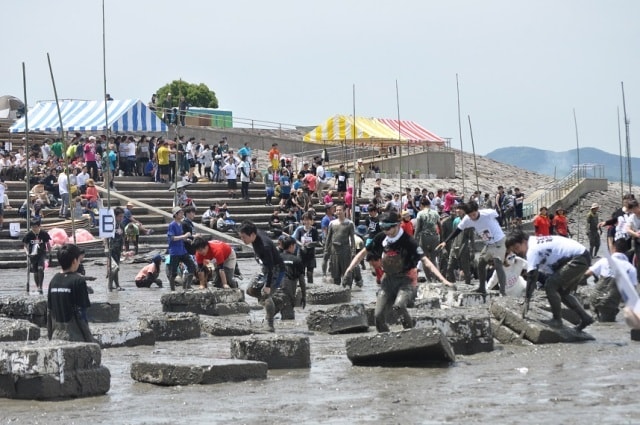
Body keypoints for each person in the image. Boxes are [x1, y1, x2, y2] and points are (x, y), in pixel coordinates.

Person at [344, 211, 453, 332]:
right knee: (378, 315)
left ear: (397, 225)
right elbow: (362, 254)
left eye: (388, 228)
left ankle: (410, 333)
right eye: (382, 227)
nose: (386, 231)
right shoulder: (381, 237)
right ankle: (385, 336)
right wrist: (349, 269)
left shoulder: (408, 241)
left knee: (399, 306)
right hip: (388, 280)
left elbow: (426, 261)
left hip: (405, 280)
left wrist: (443, 280)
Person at [506, 229, 594, 331]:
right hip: (580, 257)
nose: (518, 252)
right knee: (562, 292)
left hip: (577, 259)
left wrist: (527, 300)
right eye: (515, 251)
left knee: (550, 286)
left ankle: (557, 320)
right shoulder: (535, 242)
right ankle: (585, 318)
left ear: (524, 241)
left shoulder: (532, 249)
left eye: (517, 248)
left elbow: (532, 277)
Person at [437, 200, 507, 296]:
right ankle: (482, 287)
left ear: (477, 210)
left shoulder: (487, 213)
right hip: (488, 244)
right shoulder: (467, 219)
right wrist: (445, 242)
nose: (472, 217)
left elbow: (498, 215)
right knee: (481, 263)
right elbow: (458, 230)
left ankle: (503, 292)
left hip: (499, 241)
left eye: (474, 214)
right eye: (470, 215)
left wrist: (496, 226)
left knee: (498, 264)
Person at [238, 220, 285, 332]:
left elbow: (271, 268)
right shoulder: (256, 234)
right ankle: (277, 303)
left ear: (252, 235)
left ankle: (269, 324)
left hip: (276, 270)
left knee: (265, 295)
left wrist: (268, 286)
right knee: (250, 290)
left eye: (244, 237)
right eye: (241, 237)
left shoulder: (265, 246)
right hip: (265, 268)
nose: (242, 239)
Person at [47, 243, 94, 342]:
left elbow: (50, 312)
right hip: (75, 336)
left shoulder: (53, 280)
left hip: (57, 335)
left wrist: (50, 337)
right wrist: (89, 339)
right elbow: (82, 313)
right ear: (74, 261)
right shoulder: (78, 281)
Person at [586, 238, 637, 322]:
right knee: (607, 324)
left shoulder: (604, 260)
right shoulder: (630, 268)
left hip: (594, 299)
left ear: (614, 248)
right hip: (609, 303)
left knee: (596, 323)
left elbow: (587, 273)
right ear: (627, 251)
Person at [322, 203, 356, 287]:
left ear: (344, 211)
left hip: (345, 250)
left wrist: (353, 251)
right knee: (335, 274)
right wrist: (326, 250)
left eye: (340, 210)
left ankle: (348, 291)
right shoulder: (332, 223)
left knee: (346, 274)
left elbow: (352, 239)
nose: (338, 211)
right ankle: (337, 291)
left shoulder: (349, 223)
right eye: (337, 210)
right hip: (334, 251)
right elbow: (328, 238)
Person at [167, 207, 197, 291]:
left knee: (192, 266)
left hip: (182, 250)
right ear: (175, 215)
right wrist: (184, 236)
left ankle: (187, 285)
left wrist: (187, 239)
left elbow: (181, 237)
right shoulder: (172, 225)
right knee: (173, 272)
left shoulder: (180, 224)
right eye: (180, 213)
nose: (182, 214)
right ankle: (172, 289)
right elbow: (172, 238)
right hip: (175, 252)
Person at [414, 198, 441, 281]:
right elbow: (440, 226)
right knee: (433, 259)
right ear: (429, 205)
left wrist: (414, 239)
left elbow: (418, 228)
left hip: (424, 238)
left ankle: (429, 279)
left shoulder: (420, 213)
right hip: (435, 237)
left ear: (421, 205)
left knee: (424, 259)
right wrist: (442, 239)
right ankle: (435, 278)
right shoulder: (435, 213)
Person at [23, 218, 52, 294]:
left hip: (41, 254)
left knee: (40, 269)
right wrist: (27, 253)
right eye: (32, 227)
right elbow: (25, 246)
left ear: (39, 226)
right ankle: (37, 285)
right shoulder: (28, 235)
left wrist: (50, 253)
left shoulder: (44, 234)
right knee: (35, 272)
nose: (34, 228)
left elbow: (48, 244)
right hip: (32, 255)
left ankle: (40, 286)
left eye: (35, 227)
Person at [292, 211, 320, 284]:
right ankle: (302, 289)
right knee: (301, 273)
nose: (307, 221)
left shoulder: (314, 230)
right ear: (303, 221)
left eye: (308, 220)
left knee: (310, 273)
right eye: (305, 220)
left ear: (311, 221)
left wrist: (311, 244)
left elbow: (317, 242)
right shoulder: (300, 230)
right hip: (301, 254)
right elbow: (296, 240)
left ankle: (310, 289)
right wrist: (301, 245)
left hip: (311, 254)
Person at [107, 207, 125, 291]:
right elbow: (105, 237)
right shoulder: (110, 225)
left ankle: (117, 285)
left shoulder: (121, 225)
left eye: (122, 216)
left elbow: (122, 237)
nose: (121, 218)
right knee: (114, 268)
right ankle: (110, 285)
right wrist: (106, 247)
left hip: (118, 249)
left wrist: (123, 247)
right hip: (111, 249)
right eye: (120, 216)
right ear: (115, 216)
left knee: (116, 269)